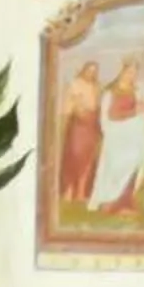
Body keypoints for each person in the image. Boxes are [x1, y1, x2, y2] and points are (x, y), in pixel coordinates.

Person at [88, 60, 144, 216]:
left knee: (135, 163)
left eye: (135, 73)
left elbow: (140, 111)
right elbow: (110, 115)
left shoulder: (136, 91)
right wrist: (133, 113)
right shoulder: (111, 92)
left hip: (133, 135)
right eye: (129, 71)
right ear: (122, 71)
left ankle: (126, 202)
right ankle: (111, 203)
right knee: (118, 167)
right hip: (118, 136)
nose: (132, 75)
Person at [55, 62, 105, 208]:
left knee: (88, 159)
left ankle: (81, 192)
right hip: (78, 124)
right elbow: (71, 105)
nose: (91, 73)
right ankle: (68, 190)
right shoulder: (75, 84)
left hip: (92, 125)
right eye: (89, 70)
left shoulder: (97, 87)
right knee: (74, 156)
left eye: (94, 71)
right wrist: (78, 111)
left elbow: (98, 105)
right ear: (83, 70)